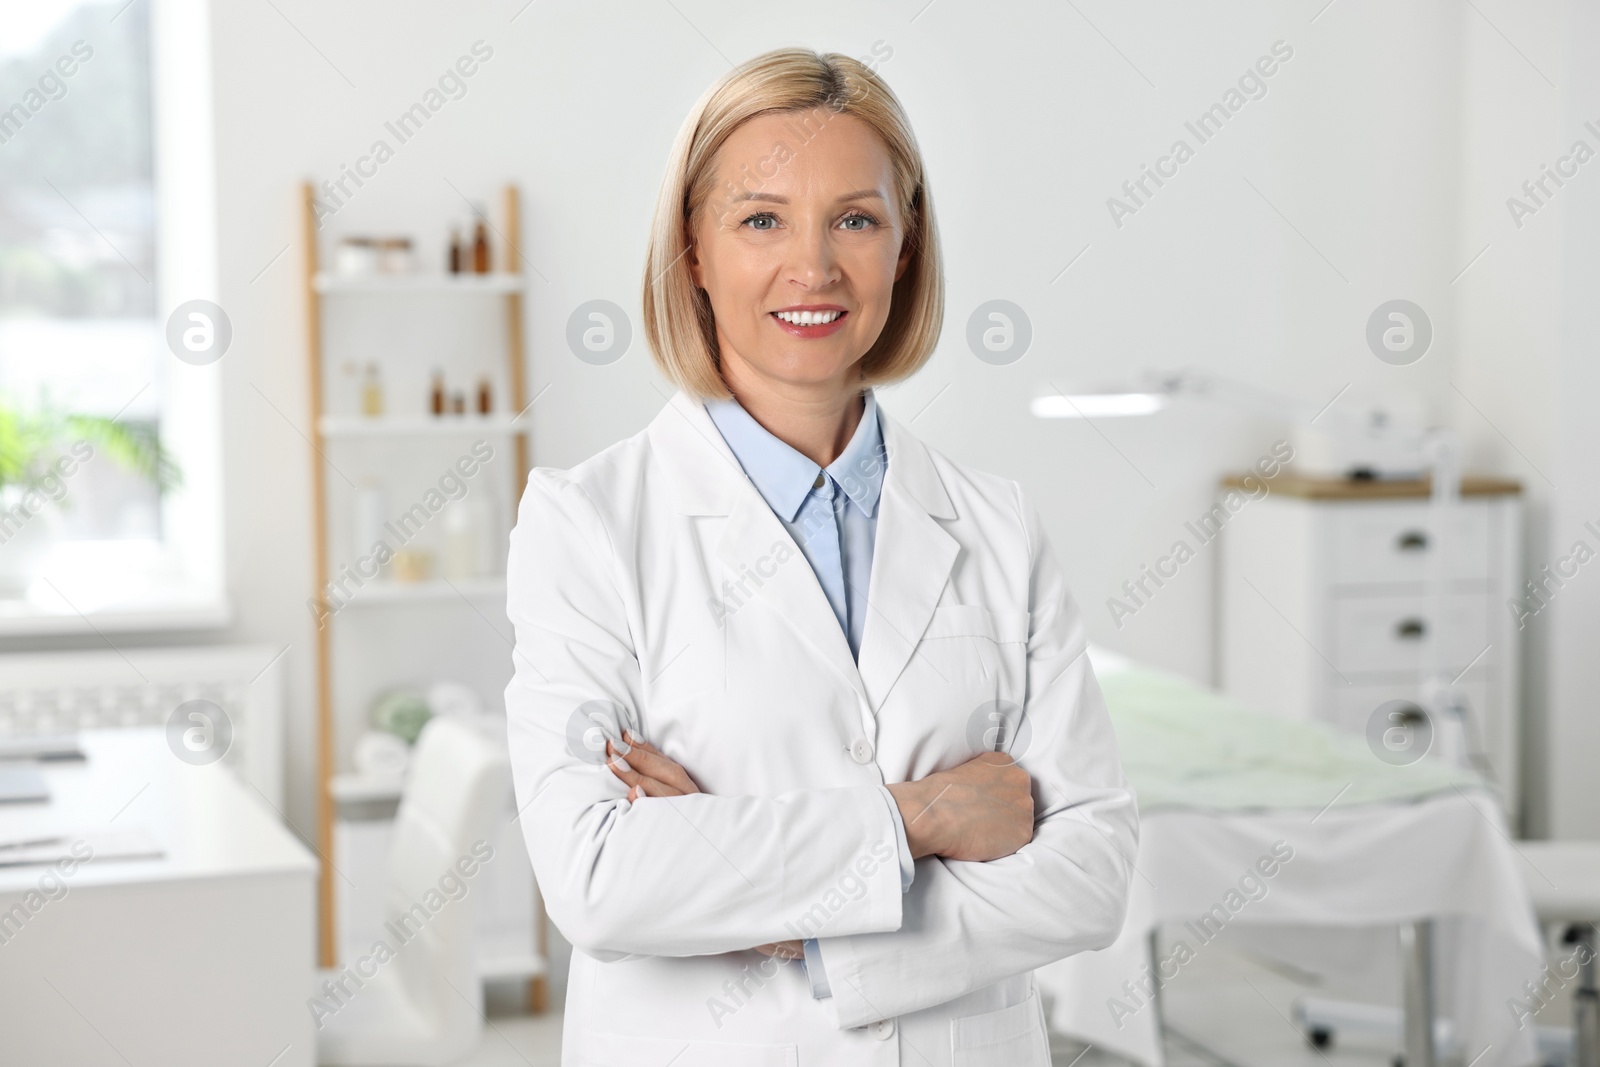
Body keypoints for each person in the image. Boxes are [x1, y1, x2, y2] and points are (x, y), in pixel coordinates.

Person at [504, 46, 1137, 1066]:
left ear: (903, 243)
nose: (814, 267)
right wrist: (918, 816)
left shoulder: (997, 525)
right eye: (761, 218)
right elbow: (598, 877)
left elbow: (1090, 867)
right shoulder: (587, 524)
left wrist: (789, 922)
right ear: (694, 249)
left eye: (855, 217)